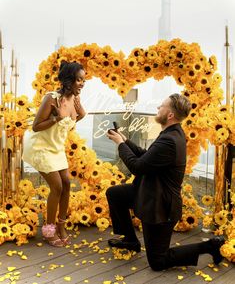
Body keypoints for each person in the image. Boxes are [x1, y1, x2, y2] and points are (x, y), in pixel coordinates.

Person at [106, 93, 225, 271]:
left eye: (161, 106)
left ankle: (209, 246)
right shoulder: (172, 133)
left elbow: (137, 167)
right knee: (115, 194)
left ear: (170, 115)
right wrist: (125, 140)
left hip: (160, 205)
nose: (157, 108)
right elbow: (147, 156)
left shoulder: (169, 140)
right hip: (150, 191)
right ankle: (130, 240)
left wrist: (120, 145)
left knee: (158, 262)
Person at [23, 61, 86, 247]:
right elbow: (36, 126)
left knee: (67, 183)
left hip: (56, 148)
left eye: (84, 80)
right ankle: (49, 229)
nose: (82, 83)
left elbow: (71, 123)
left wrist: (80, 112)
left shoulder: (74, 101)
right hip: (41, 147)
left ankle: (61, 226)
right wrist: (55, 118)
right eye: (79, 80)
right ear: (69, 80)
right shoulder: (51, 98)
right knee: (57, 187)